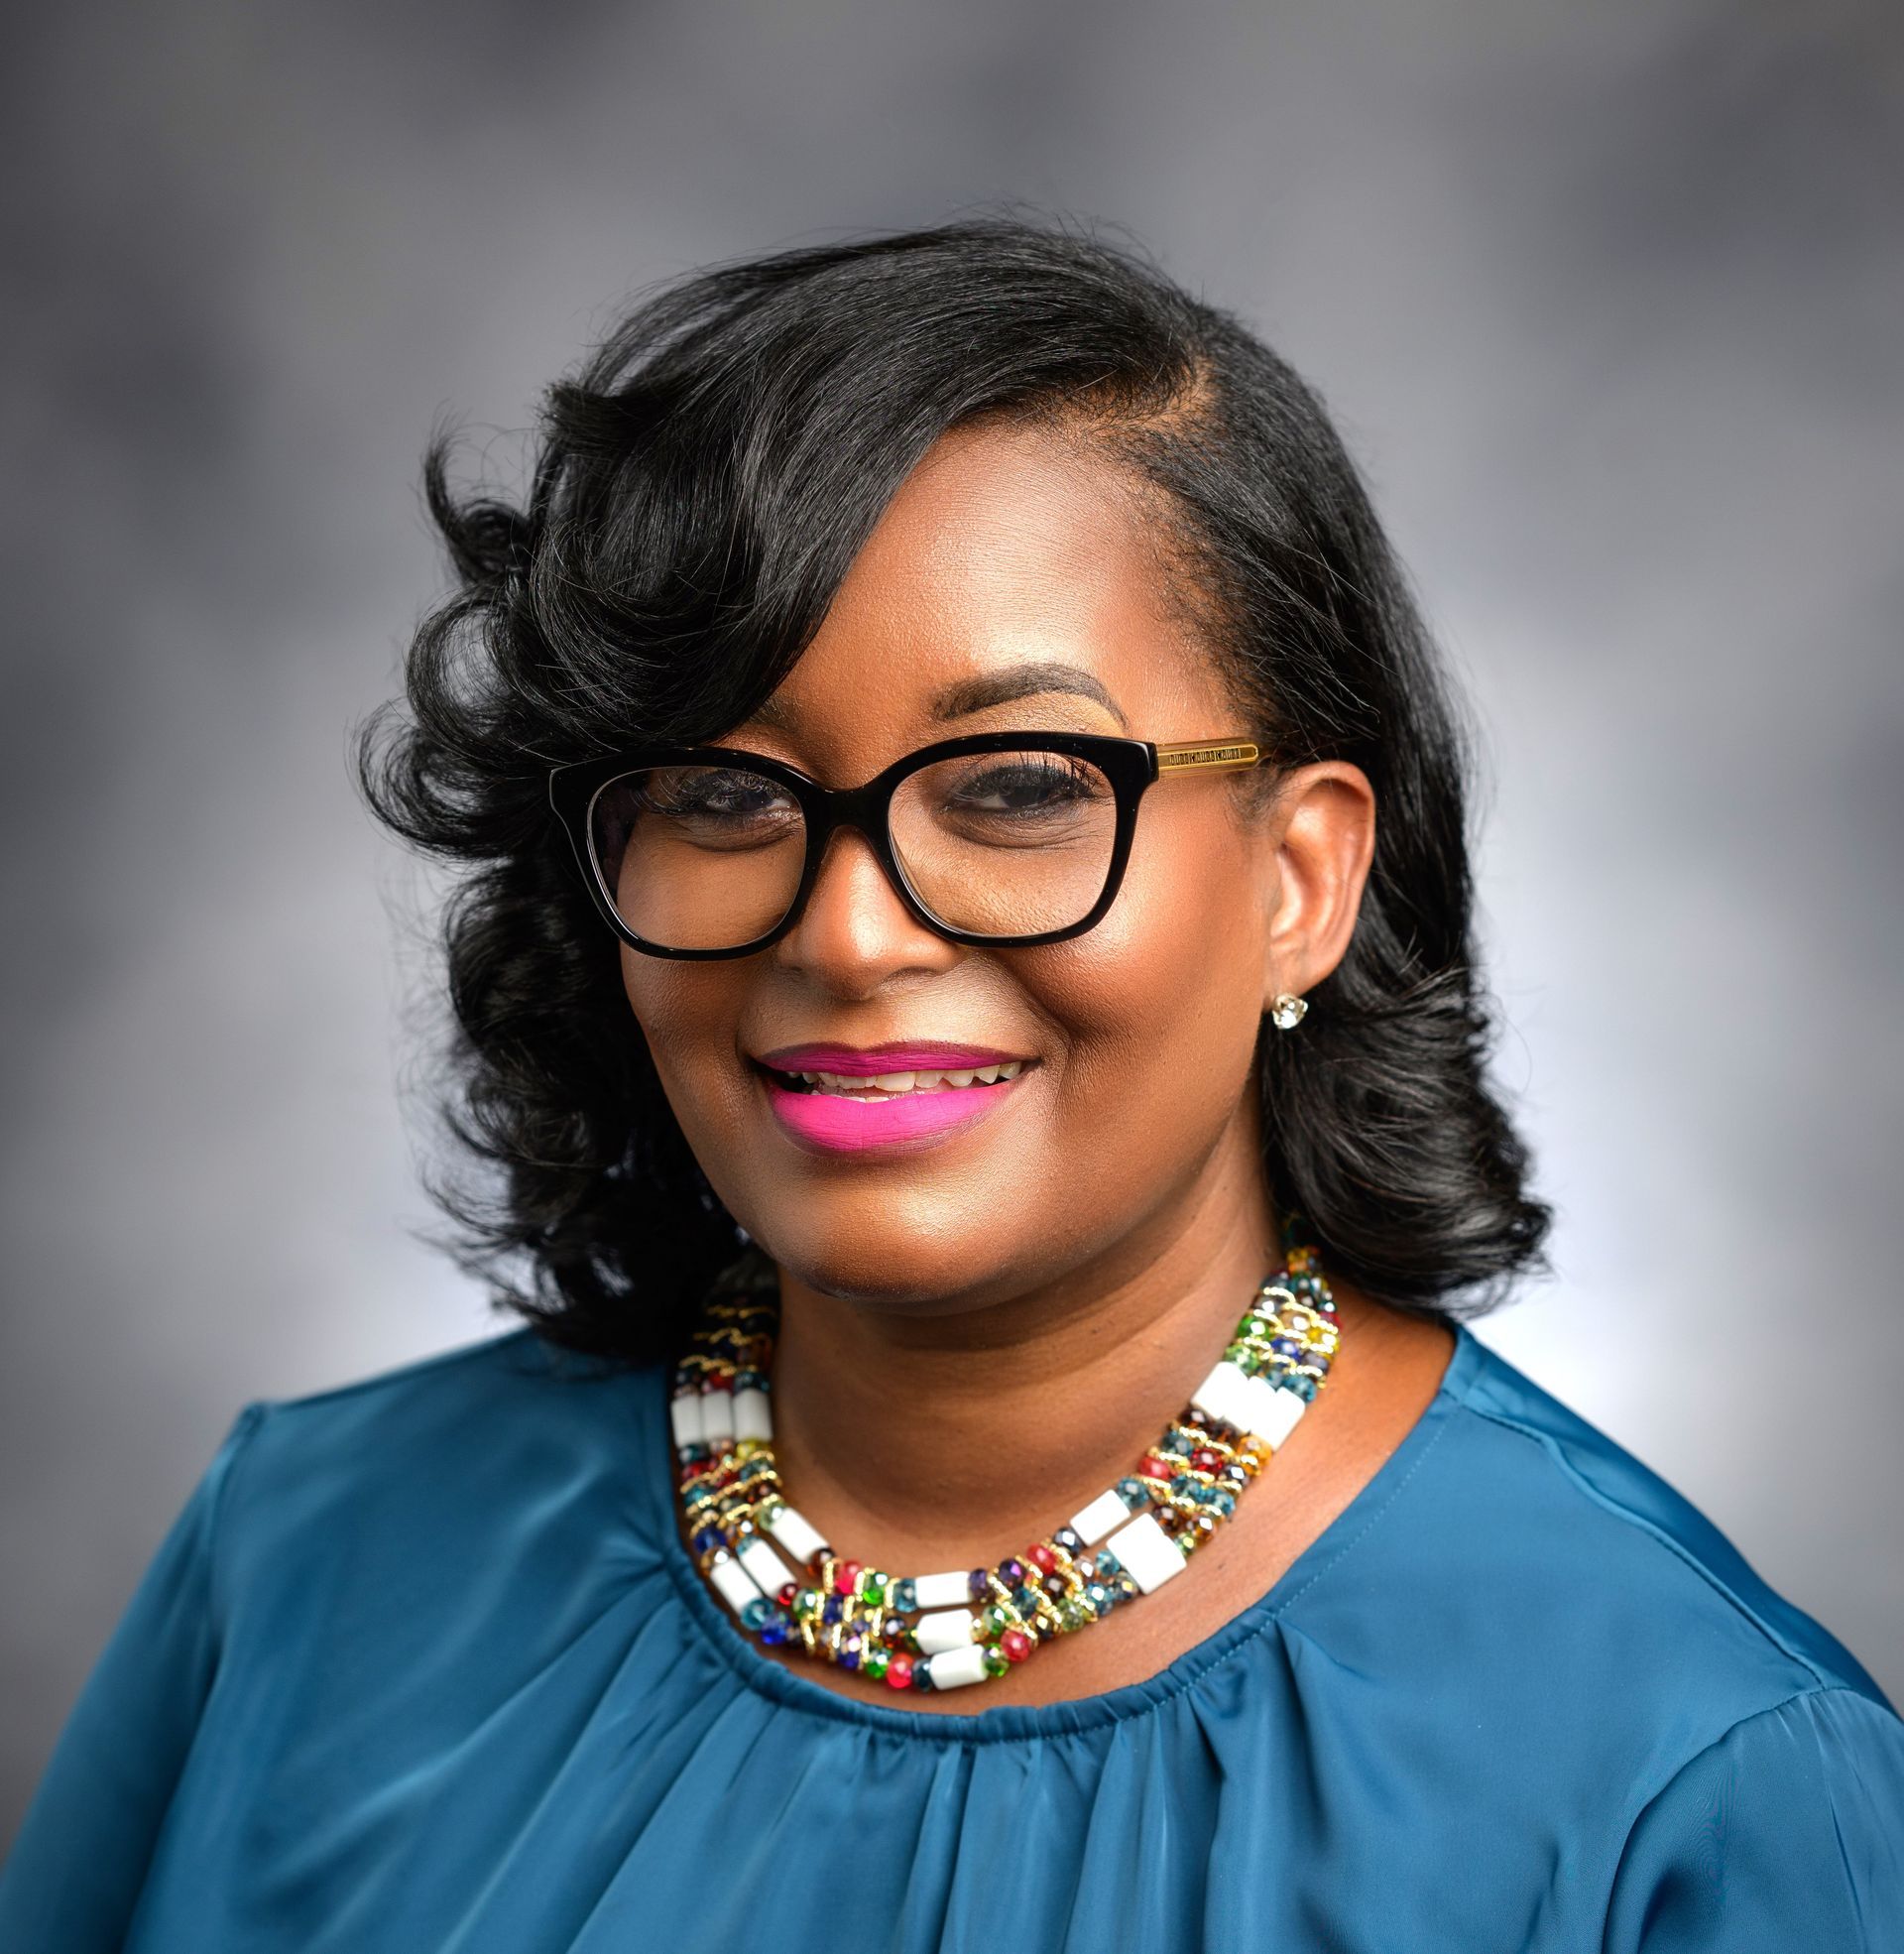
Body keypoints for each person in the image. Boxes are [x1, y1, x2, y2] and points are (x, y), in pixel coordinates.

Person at [3, 218, 1898, 1951]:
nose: (842, 934)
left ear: (1302, 881)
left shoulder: (1696, 1768)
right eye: (722, 795)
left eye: (1016, 789)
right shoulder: (305, 1556)